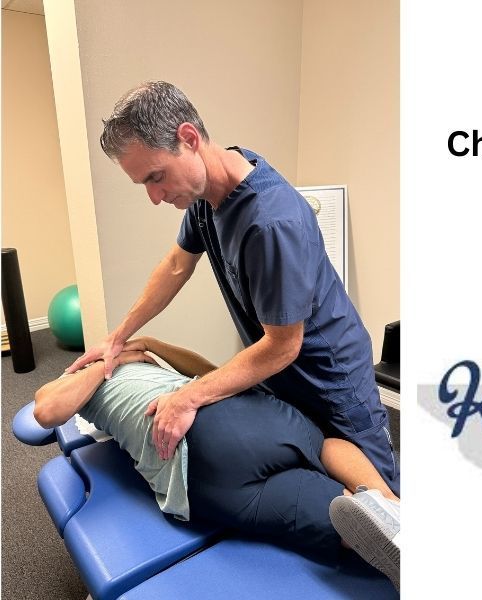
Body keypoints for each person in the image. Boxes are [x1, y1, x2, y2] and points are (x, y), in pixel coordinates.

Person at [66, 81, 398, 498]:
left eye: (156, 177)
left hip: (333, 382)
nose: (154, 196)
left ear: (189, 138)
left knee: (384, 506)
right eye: (144, 184)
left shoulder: (271, 222)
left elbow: (282, 347)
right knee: (323, 478)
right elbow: (175, 266)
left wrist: (187, 397)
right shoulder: (207, 195)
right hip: (282, 376)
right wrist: (117, 337)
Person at [36, 336, 400, 590]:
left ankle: (390, 518)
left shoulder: (132, 365)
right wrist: (108, 363)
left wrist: (148, 344)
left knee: (310, 497)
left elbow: (210, 370)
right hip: (232, 426)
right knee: (321, 448)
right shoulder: (77, 379)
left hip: (202, 456)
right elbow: (47, 409)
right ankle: (391, 509)